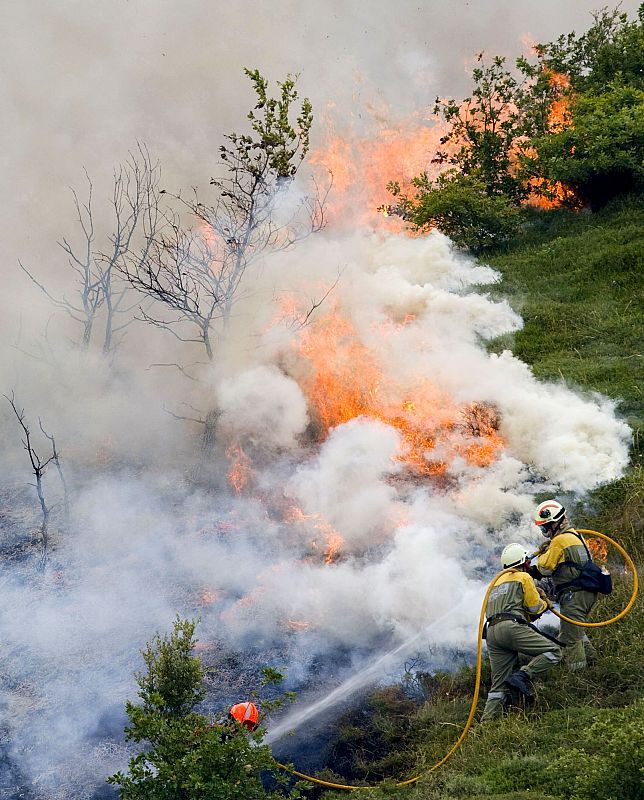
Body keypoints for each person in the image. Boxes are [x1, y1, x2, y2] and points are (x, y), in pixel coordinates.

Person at [480, 543, 562, 721]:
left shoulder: (494, 583)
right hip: (510, 627)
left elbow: (502, 610)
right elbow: (534, 607)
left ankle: (485, 724)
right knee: (554, 652)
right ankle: (522, 676)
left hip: (492, 633)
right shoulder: (523, 577)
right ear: (524, 562)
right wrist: (545, 602)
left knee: (498, 685)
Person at [533, 500, 598, 670]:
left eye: (545, 526)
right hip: (585, 592)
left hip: (574, 594)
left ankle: (578, 675)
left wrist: (542, 555)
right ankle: (593, 663)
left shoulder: (560, 540)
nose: (544, 530)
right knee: (575, 631)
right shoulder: (575, 535)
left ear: (554, 523)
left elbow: (545, 568)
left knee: (570, 639)